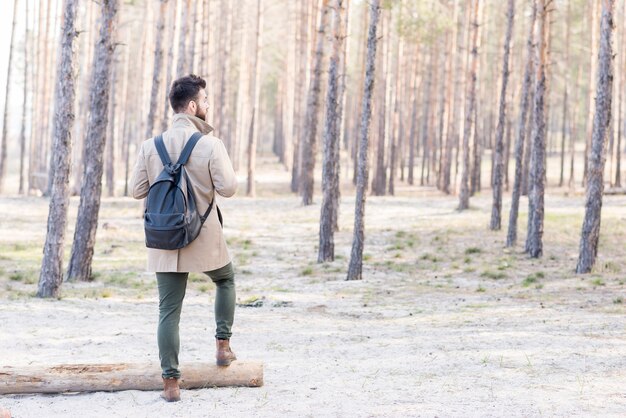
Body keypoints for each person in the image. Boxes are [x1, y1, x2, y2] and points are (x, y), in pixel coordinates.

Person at [130, 74, 238, 402]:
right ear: (192, 106)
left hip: (164, 241)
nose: (207, 106)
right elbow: (229, 189)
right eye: (204, 101)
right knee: (225, 280)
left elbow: (137, 191)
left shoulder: (151, 146)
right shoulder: (210, 145)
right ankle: (222, 347)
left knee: (168, 311)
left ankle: (171, 384)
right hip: (203, 238)